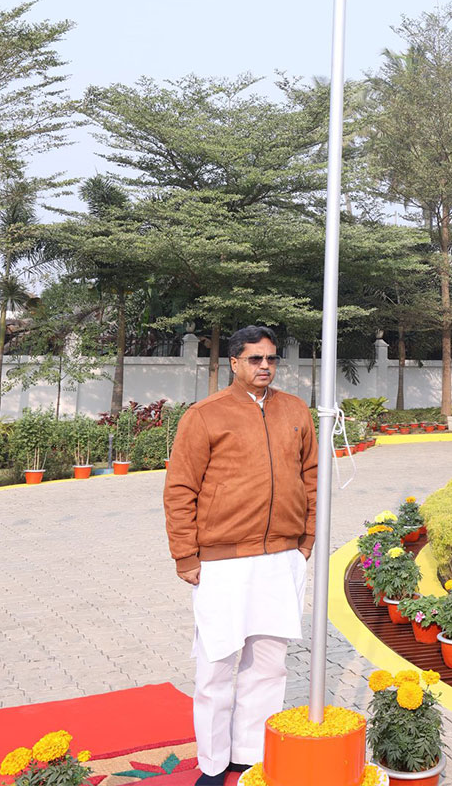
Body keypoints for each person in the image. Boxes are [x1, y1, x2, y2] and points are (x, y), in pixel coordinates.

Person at [164, 325, 319, 786]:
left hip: (282, 557)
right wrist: (185, 556)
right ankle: (212, 764)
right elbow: (179, 488)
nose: (265, 366)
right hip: (221, 561)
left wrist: (306, 541)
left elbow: (311, 477)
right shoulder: (205, 414)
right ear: (234, 363)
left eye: (271, 358)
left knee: (268, 664)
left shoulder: (295, 410)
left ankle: (249, 756)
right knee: (216, 665)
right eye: (255, 359)